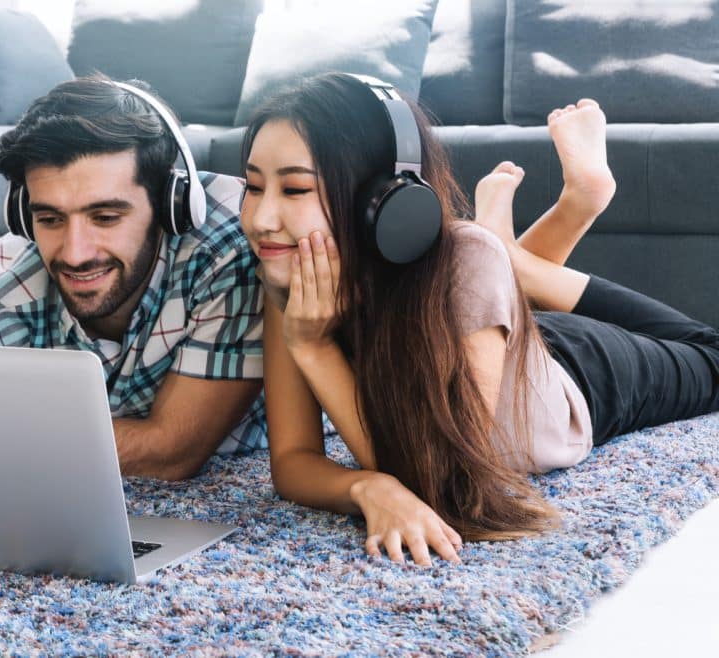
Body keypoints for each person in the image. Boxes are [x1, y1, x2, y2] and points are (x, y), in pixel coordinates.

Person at [238, 72, 719, 565]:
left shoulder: (461, 262)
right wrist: (367, 487)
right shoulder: (287, 271)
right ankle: (509, 253)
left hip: (576, 376)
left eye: (295, 189)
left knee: (711, 353)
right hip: (489, 338)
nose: (261, 219)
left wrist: (313, 347)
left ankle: (544, 226)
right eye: (253, 187)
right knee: (483, 265)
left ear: (380, 199)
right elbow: (293, 462)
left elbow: (445, 483)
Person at [0, 76, 265, 481]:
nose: (75, 253)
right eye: (50, 219)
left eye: (106, 217)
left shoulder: (231, 243)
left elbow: (172, 452)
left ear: (171, 204)